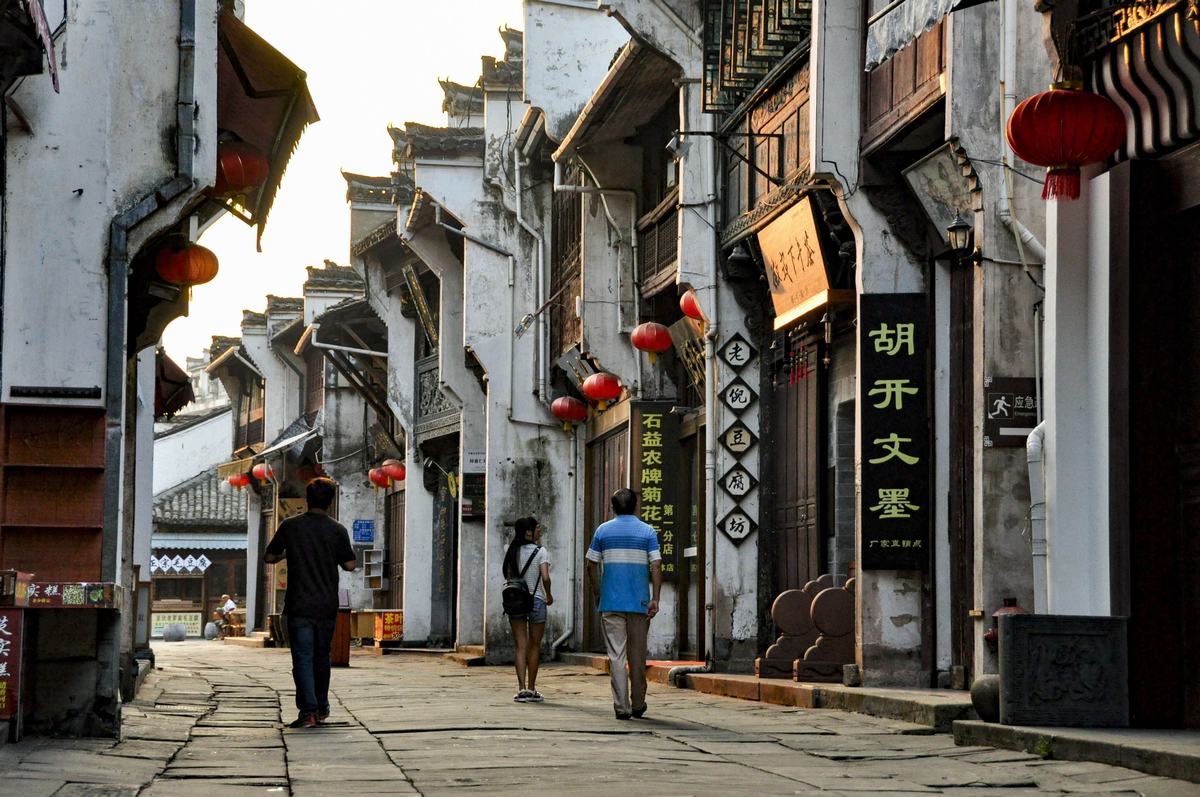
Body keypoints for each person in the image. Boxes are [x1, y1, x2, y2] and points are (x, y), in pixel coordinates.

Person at [263, 478, 356, 728]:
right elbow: (350, 564)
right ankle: (322, 707)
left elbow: (269, 556)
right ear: (330, 502)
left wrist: (288, 553)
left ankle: (308, 712)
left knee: (303, 658)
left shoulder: (291, 526)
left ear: (307, 499)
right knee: (321, 657)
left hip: (299, 603)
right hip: (326, 604)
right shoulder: (337, 530)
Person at [585, 488, 662, 720]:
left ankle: (622, 707)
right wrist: (655, 598)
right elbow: (656, 565)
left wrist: (598, 593)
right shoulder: (647, 531)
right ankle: (638, 703)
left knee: (616, 655)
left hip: (611, 602)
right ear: (635, 506)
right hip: (640, 603)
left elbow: (591, 565)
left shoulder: (603, 531)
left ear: (613, 507)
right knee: (637, 656)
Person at [503, 516, 552, 703]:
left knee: (520, 645)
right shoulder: (541, 552)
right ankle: (532, 688)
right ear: (529, 531)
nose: (539, 531)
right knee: (534, 645)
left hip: (516, 601)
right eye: (537, 528)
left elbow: (508, 576)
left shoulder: (512, 551)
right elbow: (545, 578)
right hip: (537, 601)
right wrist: (549, 595)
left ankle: (521, 688)